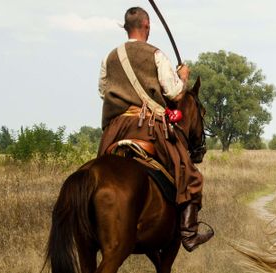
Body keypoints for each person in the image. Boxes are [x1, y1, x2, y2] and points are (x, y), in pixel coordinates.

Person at [97, 7, 213, 251]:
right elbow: (175, 93)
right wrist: (183, 77)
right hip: (149, 127)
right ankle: (189, 234)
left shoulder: (109, 57)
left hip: (115, 129)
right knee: (190, 174)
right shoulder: (156, 55)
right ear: (147, 25)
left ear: (126, 27)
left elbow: (102, 91)